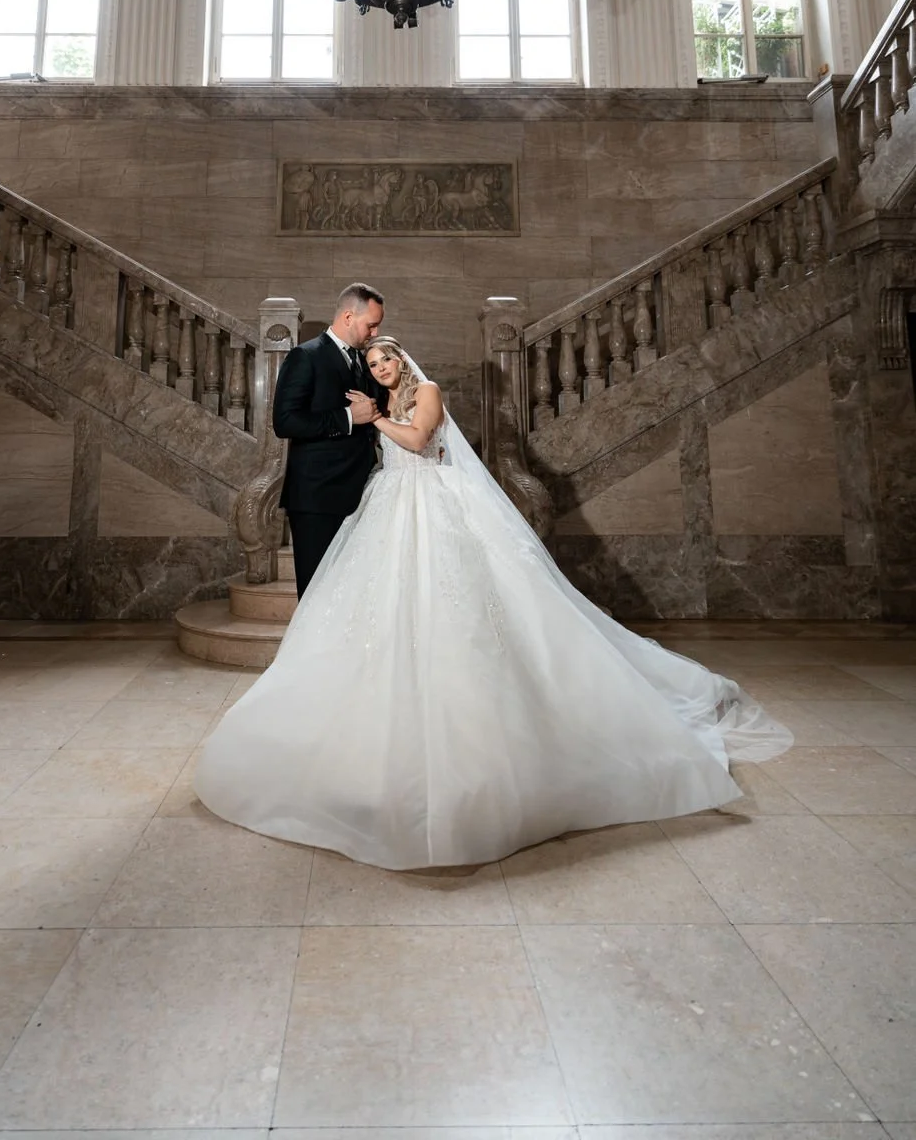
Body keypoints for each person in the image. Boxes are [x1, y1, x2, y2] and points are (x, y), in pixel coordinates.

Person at [195, 338, 793, 871]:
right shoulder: (383, 397)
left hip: (432, 507)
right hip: (390, 510)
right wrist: (364, 420)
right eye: (373, 363)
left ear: (402, 359)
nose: (379, 368)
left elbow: (420, 439)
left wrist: (372, 418)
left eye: (386, 360)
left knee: (461, 611)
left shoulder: (425, 392)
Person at [271, 282, 387, 599]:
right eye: (371, 325)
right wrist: (348, 417)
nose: (375, 334)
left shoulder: (367, 362)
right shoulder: (305, 356)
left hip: (363, 495)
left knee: (352, 599)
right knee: (317, 597)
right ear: (349, 316)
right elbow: (285, 421)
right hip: (317, 499)